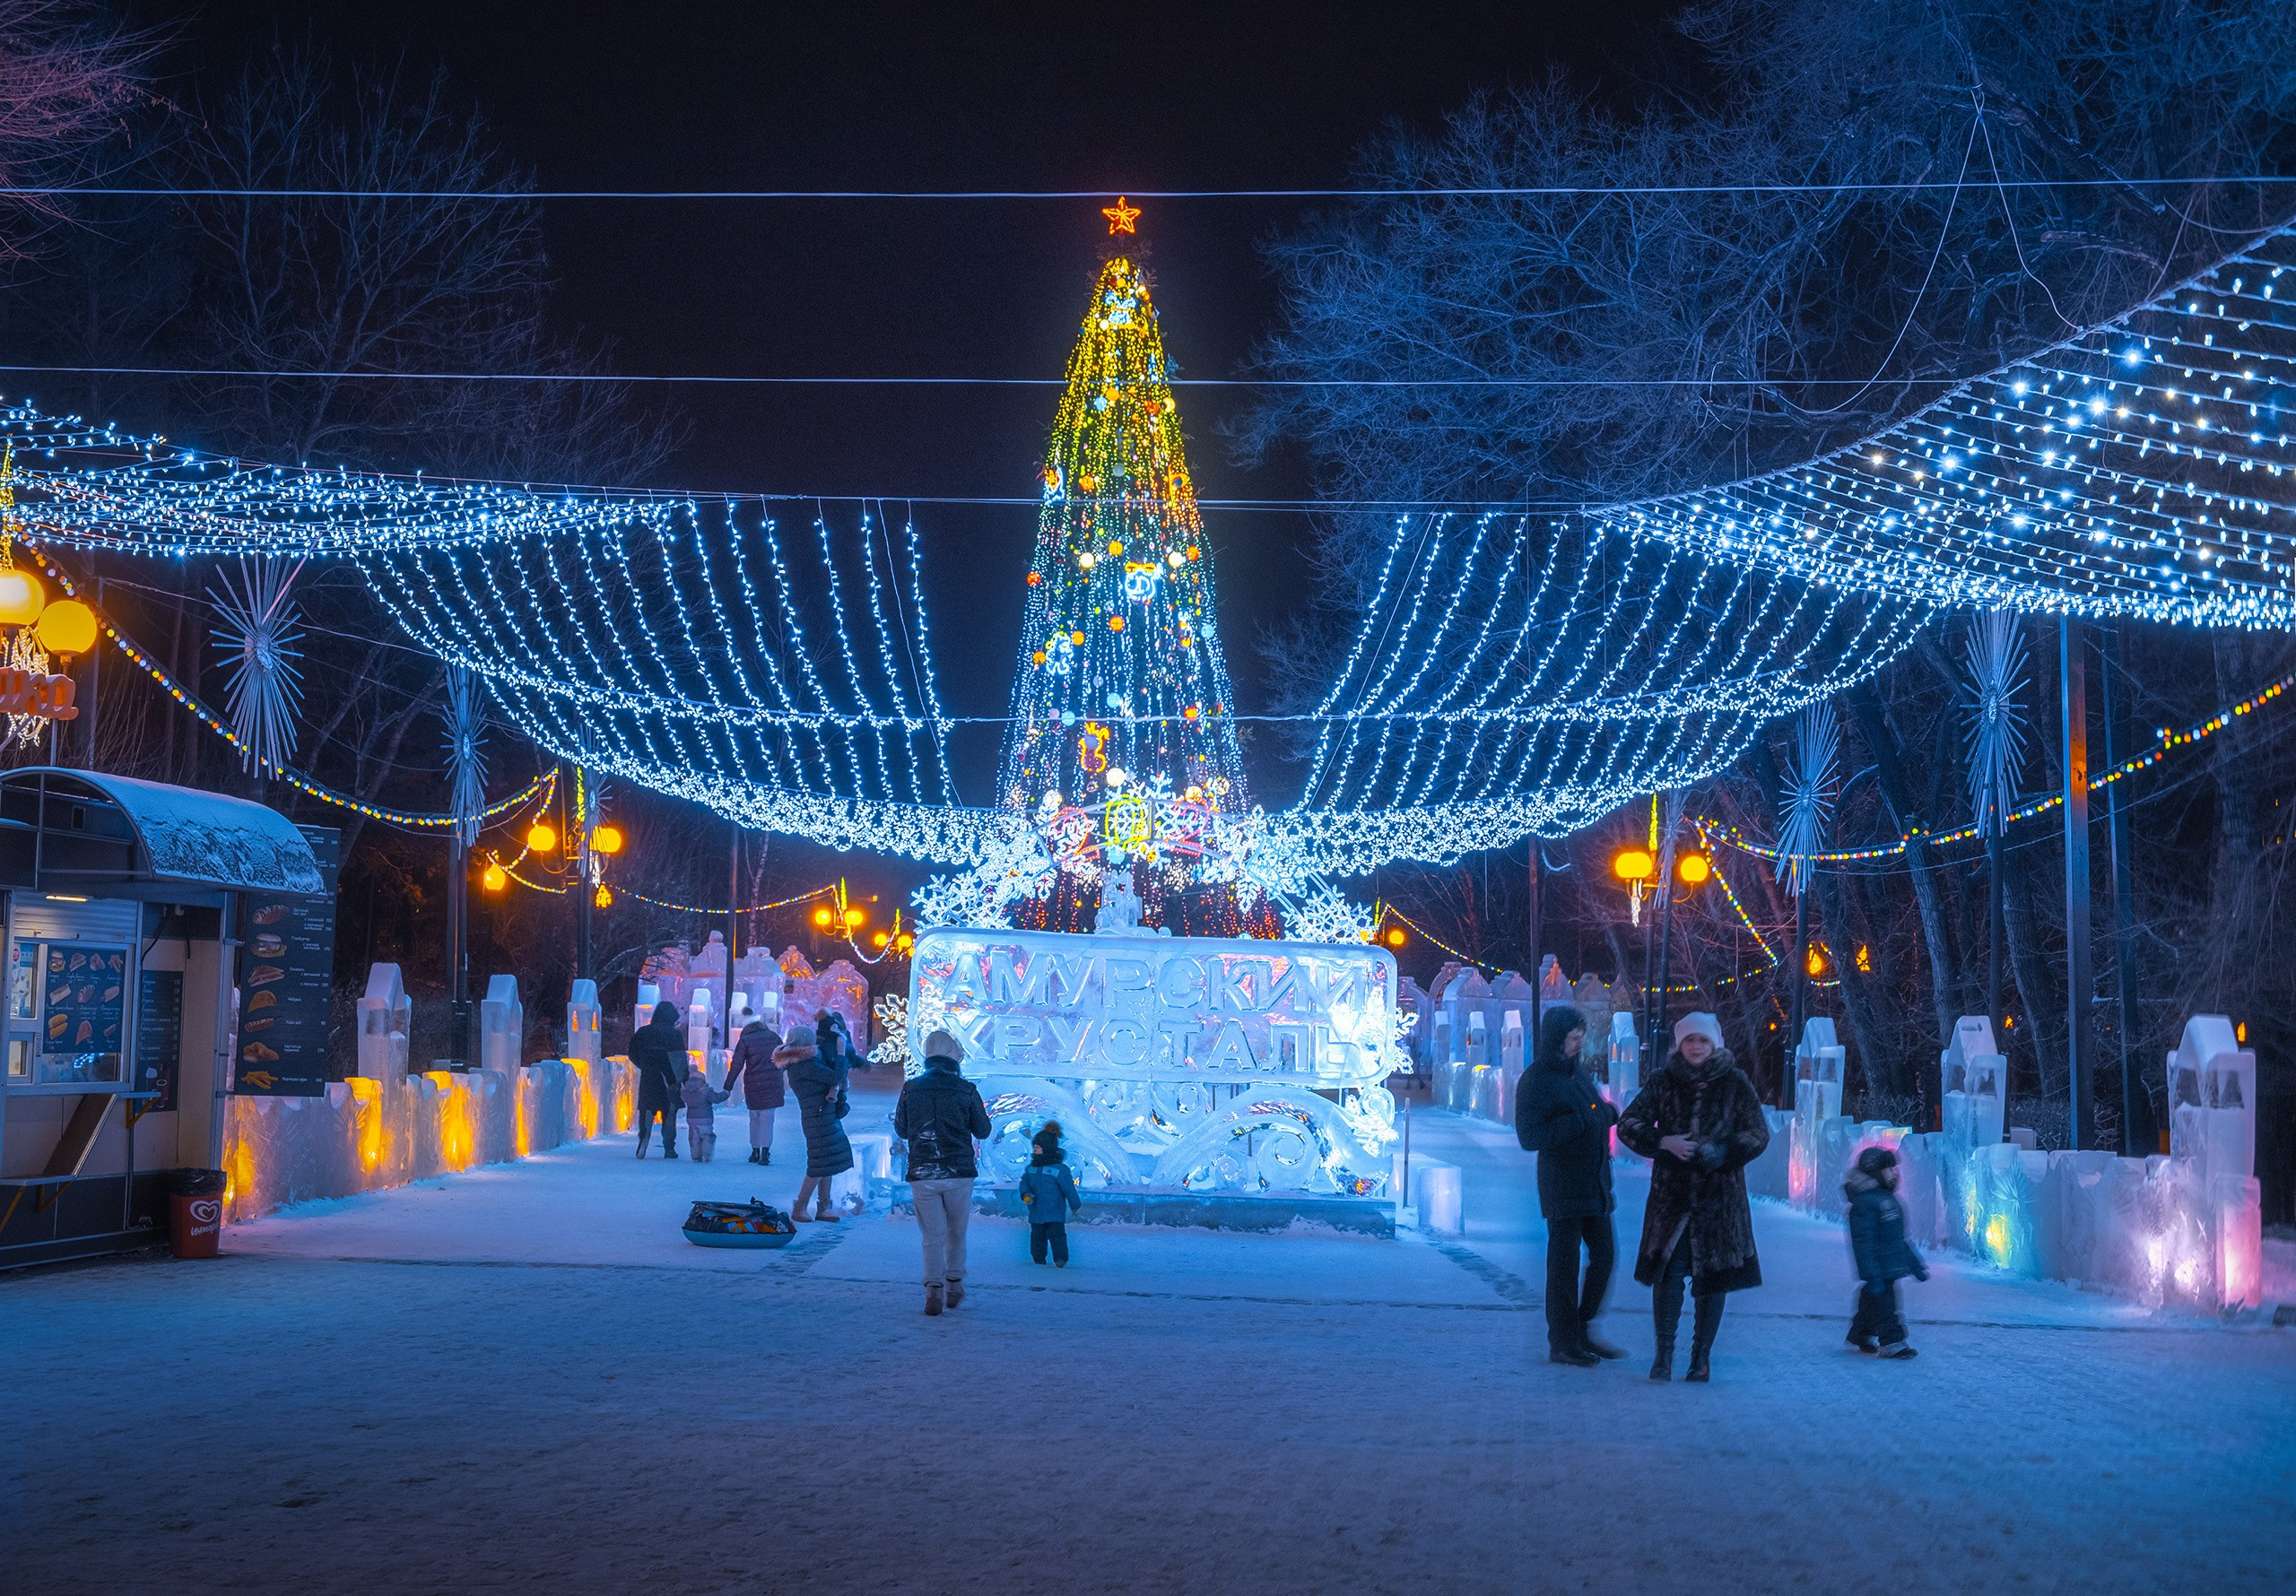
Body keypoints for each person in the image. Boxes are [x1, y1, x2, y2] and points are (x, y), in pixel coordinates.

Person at [1617, 1011, 1770, 1383]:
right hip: (1672, 1198)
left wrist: (1722, 1151)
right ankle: (1664, 1355)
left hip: (1720, 1201)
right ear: (1679, 1044)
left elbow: (1757, 1133)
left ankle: (1701, 1358)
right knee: (1668, 1276)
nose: (1696, 1047)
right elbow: (1628, 1124)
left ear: (1714, 1044)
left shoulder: (1734, 1082)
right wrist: (1663, 1141)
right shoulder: (1663, 1081)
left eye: (1703, 1040)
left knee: (1713, 1280)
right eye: (1690, 1040)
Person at [1513, 1003, 1622, 1366]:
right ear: (1556, 1039)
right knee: (1564, 1266)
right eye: (1573, 1038)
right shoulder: (1536, 1080)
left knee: (1605, 1256)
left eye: (1580, 1037)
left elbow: (1592, 1111)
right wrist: (1574, 1125)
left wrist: (1605, 1114)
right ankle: (1562, 1341)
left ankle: (1583, 1328)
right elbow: (1529, 1136)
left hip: (1594, 1183)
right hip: (1562, 1186)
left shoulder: (1577, 1074)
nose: (1578, 1044)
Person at [893, 1028, 992, 1314]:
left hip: (923, 1173)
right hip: (959, 1172)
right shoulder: (966, 1089)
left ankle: (933, 1289)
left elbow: (901, 1129)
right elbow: (983, 1130)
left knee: (931, 1235)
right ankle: (955, 1285)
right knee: (956, 1231)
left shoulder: (911, 1088)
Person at [1845, 1144, 1927, 1357]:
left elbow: (1898, 1239)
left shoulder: (1888, 1198)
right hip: (1879, 1269)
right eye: (1888, 1170)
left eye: (1894, 1169)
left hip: (1889, 1267)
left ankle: (1860, 1334)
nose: (1894, 1174)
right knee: (1887, 1307)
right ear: (1874, 1172)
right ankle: (1893, 1342)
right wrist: (1871, 1273)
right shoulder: (1865, 1204)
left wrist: (1915, 1264)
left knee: (1871, 1304)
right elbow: (1863, 1242)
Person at [778, 1024, 854, 1222]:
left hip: (822, 1114)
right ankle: (801, 1206)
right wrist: (841, 1053)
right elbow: (835, 1076)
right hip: (817, 1117)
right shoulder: (805, 1064)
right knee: (818, 1164)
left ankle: (824, 1206)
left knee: (826, 1162)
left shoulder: (804, 1062)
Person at [1017, 1122, 1083, 1268]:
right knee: (1037, 1238)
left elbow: (1069, 1189)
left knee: (1057, 1237)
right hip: (1036, 1212)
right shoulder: (1031, 1169)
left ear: (1047, 1148)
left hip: (1054, 1213)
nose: (1035, 1150)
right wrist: (1026, 1194)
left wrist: (1075, 1205)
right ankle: (1038, 1258)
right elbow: (1024, 1183)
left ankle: (1060, 1258)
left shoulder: (1059, 1170)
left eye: (1038, 1148)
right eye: (1034, 1147)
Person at [628, 1000, 686, 1159]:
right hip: (670, 1079)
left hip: (649, 1077)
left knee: (647, 1110)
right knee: (670, 1113)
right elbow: (680, 1059)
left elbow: (632, 1053)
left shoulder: (643, 1032)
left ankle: (644, 1138)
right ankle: (669, 1147)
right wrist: (683, 1078)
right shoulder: (675, 1035)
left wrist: (644, 1065)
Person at [725, 1016, 785, 1165]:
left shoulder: (745, 1040)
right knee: (768, 1118)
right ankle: (765, 1152)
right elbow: (784, 1059)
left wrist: (728, 1085)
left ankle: (755, 1151)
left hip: (753, 1083)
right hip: (773, 1083)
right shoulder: (774, 1037)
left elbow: (737, 1064)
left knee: (755, 1117)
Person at [680, 1061, 730, 1162]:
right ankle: (707, 1153)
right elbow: (717, 1098)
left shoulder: (686, 1093)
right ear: (702, 1081)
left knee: (694, 1138)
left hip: (691, 1119)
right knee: (707, 1136)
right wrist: (726, 1093)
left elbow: (682, 1095)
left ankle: (695, 1156)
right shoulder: (706, 1092)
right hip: (705, 1119)